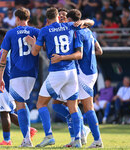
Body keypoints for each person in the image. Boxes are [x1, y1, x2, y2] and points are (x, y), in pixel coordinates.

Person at [25, 7, 91, 148]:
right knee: (73, 107)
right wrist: (84, 21)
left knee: (41, 104)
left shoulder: (45, 30)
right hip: (72, 72)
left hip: (57, 72)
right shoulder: (68, 26)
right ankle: (78, 140)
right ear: (58, 17)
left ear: (47, 19)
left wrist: (32, 43)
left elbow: (35, 53)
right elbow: (89, 23)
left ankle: (49, 136)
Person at [51, 9, 104, 148]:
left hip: (84, 73)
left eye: (66, 18)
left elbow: (79, 55)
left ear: (70, 20)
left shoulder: (77, 32)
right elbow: (99, 51)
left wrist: (62, 57)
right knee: (68, 104)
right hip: (90, 71)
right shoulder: (88, 31)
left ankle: (96, 140)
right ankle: (79, 135)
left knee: (87, 107)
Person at [0, 29, 37, 145]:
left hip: (5, 85)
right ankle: (28, 129)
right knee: (8, 112)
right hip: (12, 84)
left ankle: (7, 140)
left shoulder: (2, 52)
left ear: (2, 39)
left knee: (4, 112)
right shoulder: (11, 50)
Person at [0, 7, 40, 147]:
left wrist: (0, 78)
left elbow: (3, 56)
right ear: (28, 18)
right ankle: (28, 135)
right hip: (32, 74)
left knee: (20, 105)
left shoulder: (10, 33)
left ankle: (27, 139)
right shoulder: (36, 31)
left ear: (17, 18)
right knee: (23, 103)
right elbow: (44, 47)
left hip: (17, 74)